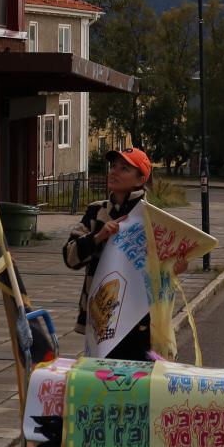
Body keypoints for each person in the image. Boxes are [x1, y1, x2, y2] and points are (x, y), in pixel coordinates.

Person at [64, 147, 152, 359]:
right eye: (113, 166)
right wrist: (98, 237)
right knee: (103, 382)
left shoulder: (150, 217)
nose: (114, 172)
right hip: (101, 317)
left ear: (140, 179)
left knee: (136, 383)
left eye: (124, 168)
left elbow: (163, 268)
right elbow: (70, 257)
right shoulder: (96, 211)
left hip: (139, 319)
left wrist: (174, 268)